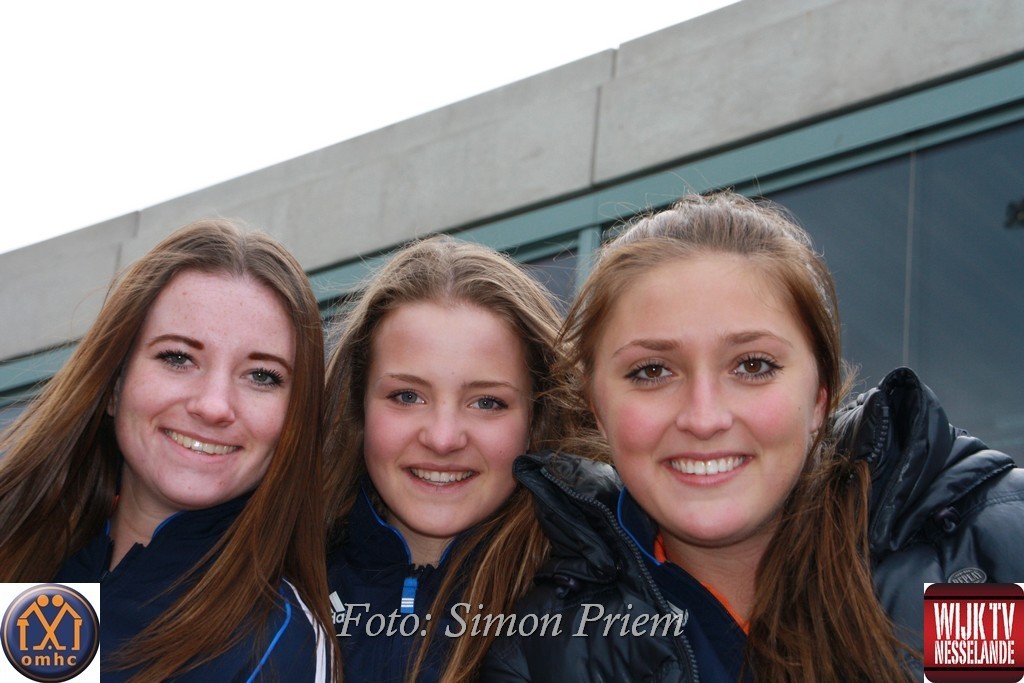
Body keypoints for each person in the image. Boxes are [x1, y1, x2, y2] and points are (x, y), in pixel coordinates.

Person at [482, 192, 1024, 682]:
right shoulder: (536, 655)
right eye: (652, 371)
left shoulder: (992, 555)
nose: (704, 418)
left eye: (753, 365)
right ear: (597, 409)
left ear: (820, 397)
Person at [0, 220, 335, 682]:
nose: (213, 406)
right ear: (113, 384)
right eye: (178, 357)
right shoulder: (25, 556)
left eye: (262, 376)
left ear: (296, 418)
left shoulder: (279, 644)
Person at [323, 235, 593, 682]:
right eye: (407, 396)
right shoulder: (276, 593)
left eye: (487, 402)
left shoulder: (600, 607)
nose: (443, 438)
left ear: (537, 417)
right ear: (358, 407)